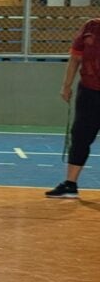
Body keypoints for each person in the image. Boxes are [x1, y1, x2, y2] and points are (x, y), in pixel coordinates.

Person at [45, 18, 100, 199]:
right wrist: (66, 85)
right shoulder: (91, 27)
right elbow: (76, 57)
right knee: (80, 136)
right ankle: (70, 184)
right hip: (89, 91)